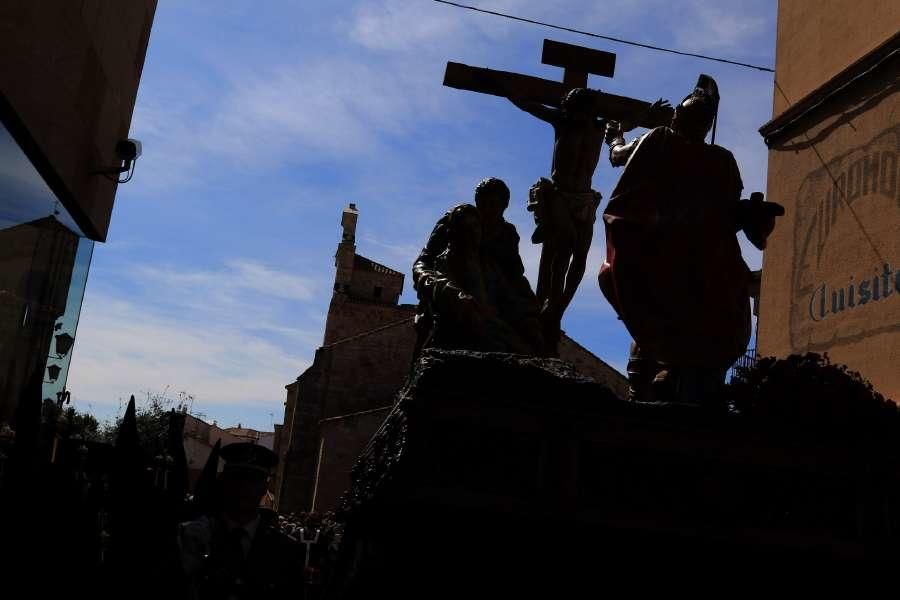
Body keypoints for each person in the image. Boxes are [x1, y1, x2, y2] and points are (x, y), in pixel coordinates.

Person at [598, 74, 784, 404]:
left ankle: (666, 371)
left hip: (674, 257)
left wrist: (614, 136)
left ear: (677, 118)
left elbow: (618, 156)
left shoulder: (661, 141)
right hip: (694, 261)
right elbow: (731, 215)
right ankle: (666, 370)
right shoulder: (719, 159)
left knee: (622, 285)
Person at [509, 89, 605, 353]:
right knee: (565, 245)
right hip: (560, 195)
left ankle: (558, 305)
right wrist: (508, 88)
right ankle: (550, 300)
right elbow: (530, 105)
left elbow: (626, 124)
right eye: (576, 109)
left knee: (581, 255)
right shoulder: (562, 122)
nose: (580, 115)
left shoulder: (600, 128)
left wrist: (648, 114)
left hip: (584, 198)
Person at [412, 177, 544, 356]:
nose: (487, 211)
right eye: (483, 204)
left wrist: (531, 311)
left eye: (493, 205)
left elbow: (515, 276)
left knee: (528, 328)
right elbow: (423, 263)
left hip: (493, 294)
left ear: (503, 207)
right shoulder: (458, 220)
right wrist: (438, 288)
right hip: (452, 289)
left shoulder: (507, 235)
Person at [178, 442, 303, 600]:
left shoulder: (286, 550)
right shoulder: (191, 537)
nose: (244, 487)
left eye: (253, 480)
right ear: (223, 481)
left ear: (265, 487)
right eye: (237, 478)